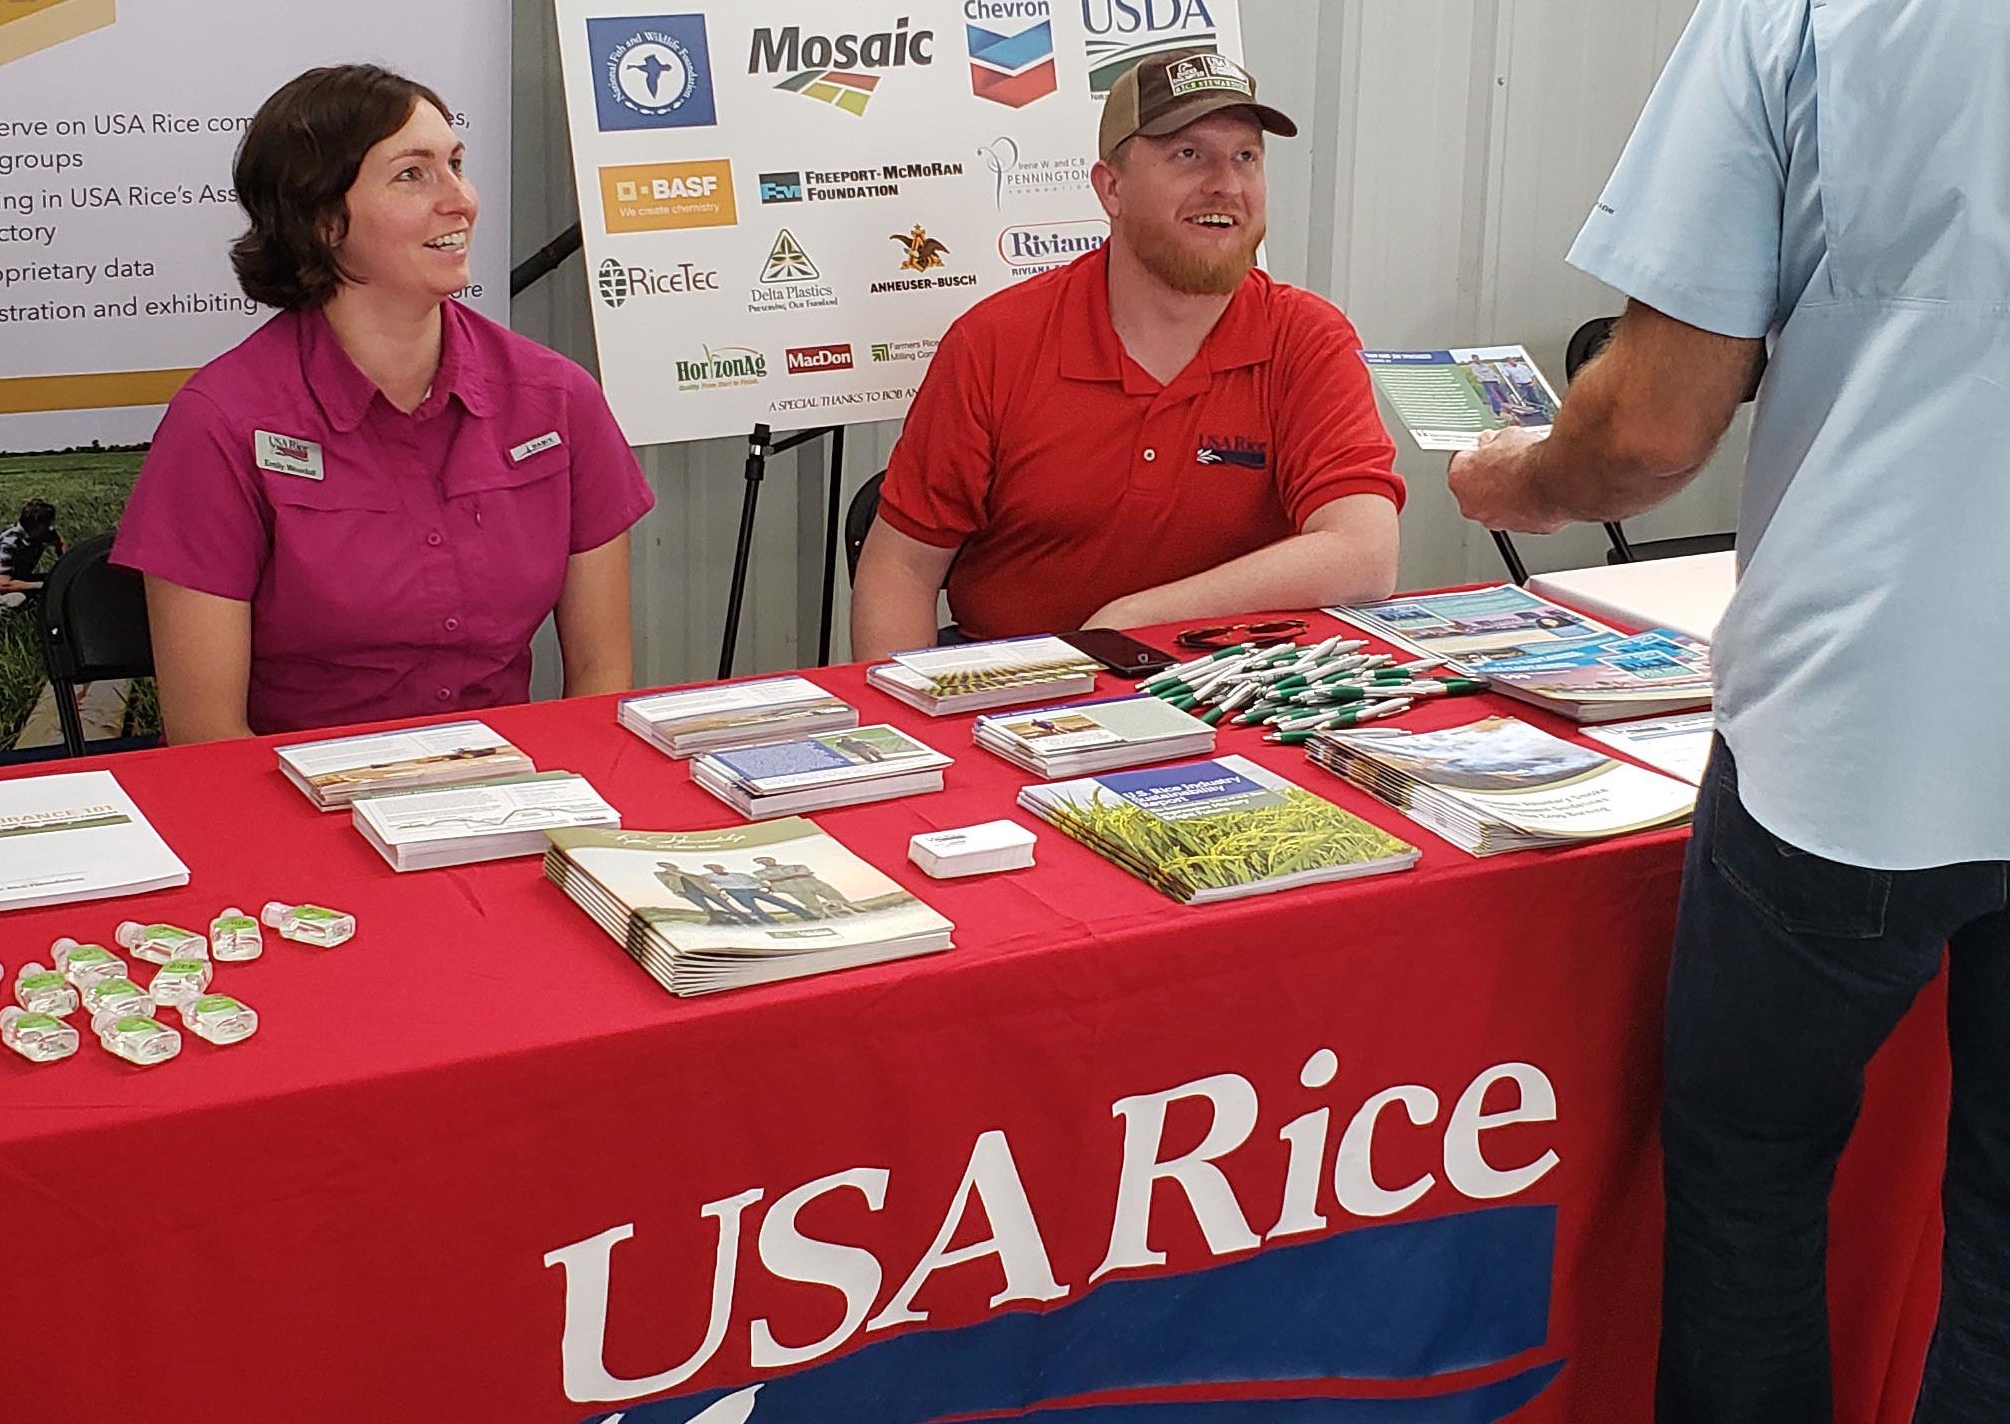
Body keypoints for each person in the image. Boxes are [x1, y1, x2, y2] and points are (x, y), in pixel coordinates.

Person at [1444, 2, 2010, 1418]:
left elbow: (1646, 427)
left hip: (1873, 709)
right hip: (1879, 700)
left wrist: (1517, 481)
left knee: (1753, 1180)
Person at [112, 65, 653, 743]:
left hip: (514, 798)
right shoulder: (222, 423)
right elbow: (207, 740)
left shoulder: (557, 398)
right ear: (322, 219)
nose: (460, 200)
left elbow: (601, 686)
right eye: (413, 174)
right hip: (296, 813)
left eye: (456, 164)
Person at [852, 49, 1403, 658]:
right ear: (1111, 188)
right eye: (1188, 155)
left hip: (1234, 689)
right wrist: (919, 732)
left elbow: (1365, 553)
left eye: (1245, 156)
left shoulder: (1307, 339)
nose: (1225, 183)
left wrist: (1136, 617)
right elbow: (900, 570)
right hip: (1021, 696)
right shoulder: (994, 343)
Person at [0, 499, 64, 612]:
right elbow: (3, 584)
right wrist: (42, 586)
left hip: (19, 580)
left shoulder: (42, 533)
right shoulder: (10, 543)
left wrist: (64, 567)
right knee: (18, 600)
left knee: (58, 581)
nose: (51, 527)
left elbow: (59, 543)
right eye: (47, 523)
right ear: (35, 525)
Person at [700, 864, 818, 923]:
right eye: (713, 868)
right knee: (754, 908)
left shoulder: (738, 874)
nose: (716, 869)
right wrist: (719, 891)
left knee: (781, 902)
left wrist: (765, 885)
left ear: (722, 867)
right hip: (736, 892)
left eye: (717, 867)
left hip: (753, 889)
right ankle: (772, 923)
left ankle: (808, 916)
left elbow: (755, 880)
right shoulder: (709, 876)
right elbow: (701, 882)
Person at [753, 856, 858, 917]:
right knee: (813, 905)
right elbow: (767, 878)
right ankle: (822, 918)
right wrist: (795, 874)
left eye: (767, 859)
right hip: (794, 888)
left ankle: (853, 909)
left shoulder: (795, 865)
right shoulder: (759, 872)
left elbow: (805, 872)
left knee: (835, 896)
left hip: (812, 883)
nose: (766, 862)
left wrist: (783, 876)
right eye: (762, 861)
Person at [653, 861, 746, 926]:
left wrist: (719, 892)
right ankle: (717, 920)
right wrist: (676, 892)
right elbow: (668, 884)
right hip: (688, 892)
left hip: (707, 890)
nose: (670, 867)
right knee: (705, 907)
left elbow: (706, 883)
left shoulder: (691, 875)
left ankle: (746, 919)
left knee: (726, 905)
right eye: (666, 866)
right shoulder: (663, 875)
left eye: (671, 866)